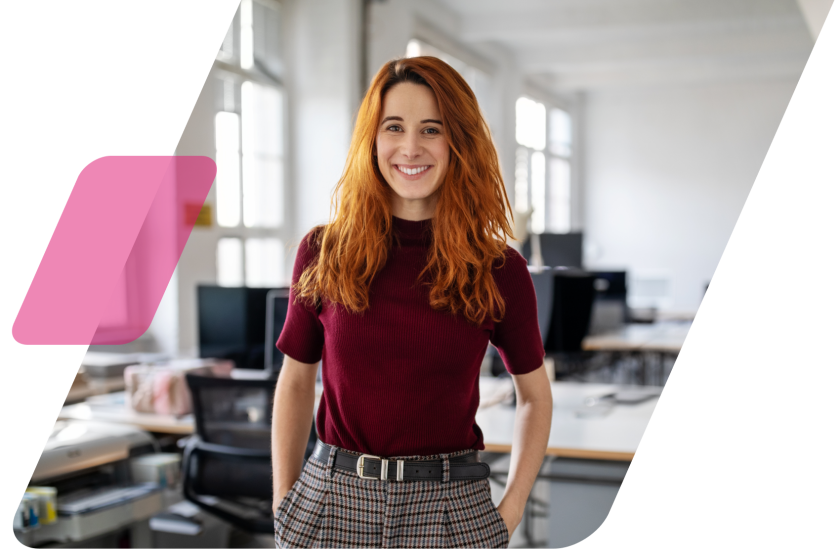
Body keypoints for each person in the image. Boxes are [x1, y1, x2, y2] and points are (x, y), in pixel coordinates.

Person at [271, 56, 552, 549]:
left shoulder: (499, 268)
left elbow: (534, 397)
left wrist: (508, 512)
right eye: (394, 127)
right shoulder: (323, 251)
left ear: (457, 142)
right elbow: (295, 383)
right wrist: (282, 502)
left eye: (431, 129)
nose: (410, 147)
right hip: (332, 500)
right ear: (372, 140)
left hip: (449, 506)